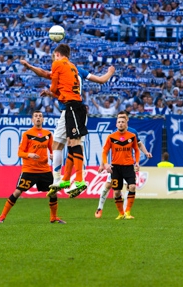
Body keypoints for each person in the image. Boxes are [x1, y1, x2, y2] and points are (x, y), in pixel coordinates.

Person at [20, 50, 115, 198]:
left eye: (53, 56)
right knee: (58, 144)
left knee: (75, 144)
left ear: (58, 54)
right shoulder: (73, 69)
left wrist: (110, 73)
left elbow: (47, 75)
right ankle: (60, 179)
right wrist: (109, 73)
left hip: (75, 108)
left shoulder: (69, 68)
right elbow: (99, 80)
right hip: (67, 110)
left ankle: (79, 178)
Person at [0, 111, 65, 224]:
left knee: (53, 192)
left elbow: (52, 149)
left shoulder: (48, 134)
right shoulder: (27, 134)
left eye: (40, 116)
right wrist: (29, 154)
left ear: (43, 119)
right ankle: (2, 216)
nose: (38, 118)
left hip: (44, 170)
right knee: (18, 192)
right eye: (36, 116)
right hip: (29, 170)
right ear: (32, 120)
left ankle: (53, 218)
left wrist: (53, 155)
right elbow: (20, 152)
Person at [95, 111, 152, 218]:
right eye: (119, 120)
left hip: (128, 165)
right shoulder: (113, 134)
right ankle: (100, 208)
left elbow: (138, 146)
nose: (121, 122)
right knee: (111, 188)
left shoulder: (133, 133)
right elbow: (106, 150)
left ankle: (126, 212)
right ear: (116, 123)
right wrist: (103, 164)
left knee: (130, 187)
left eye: (123, 119)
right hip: (115, 166)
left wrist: (145, 154)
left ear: (127, 121)